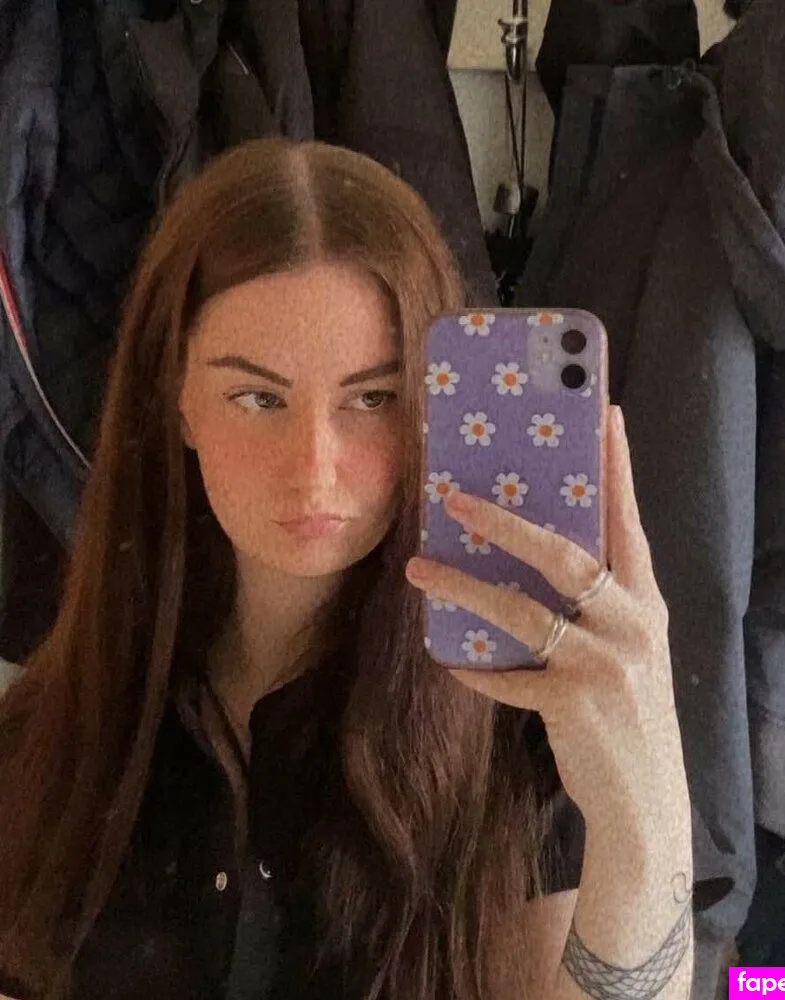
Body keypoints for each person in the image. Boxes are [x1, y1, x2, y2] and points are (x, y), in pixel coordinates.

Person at [0, 138, 692, 1000]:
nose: (315, 468)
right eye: (259, 397)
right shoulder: (49, 735)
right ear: (175, 399)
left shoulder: (522, 735)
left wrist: (646, 818)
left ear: (433, 405)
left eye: (373, 398)